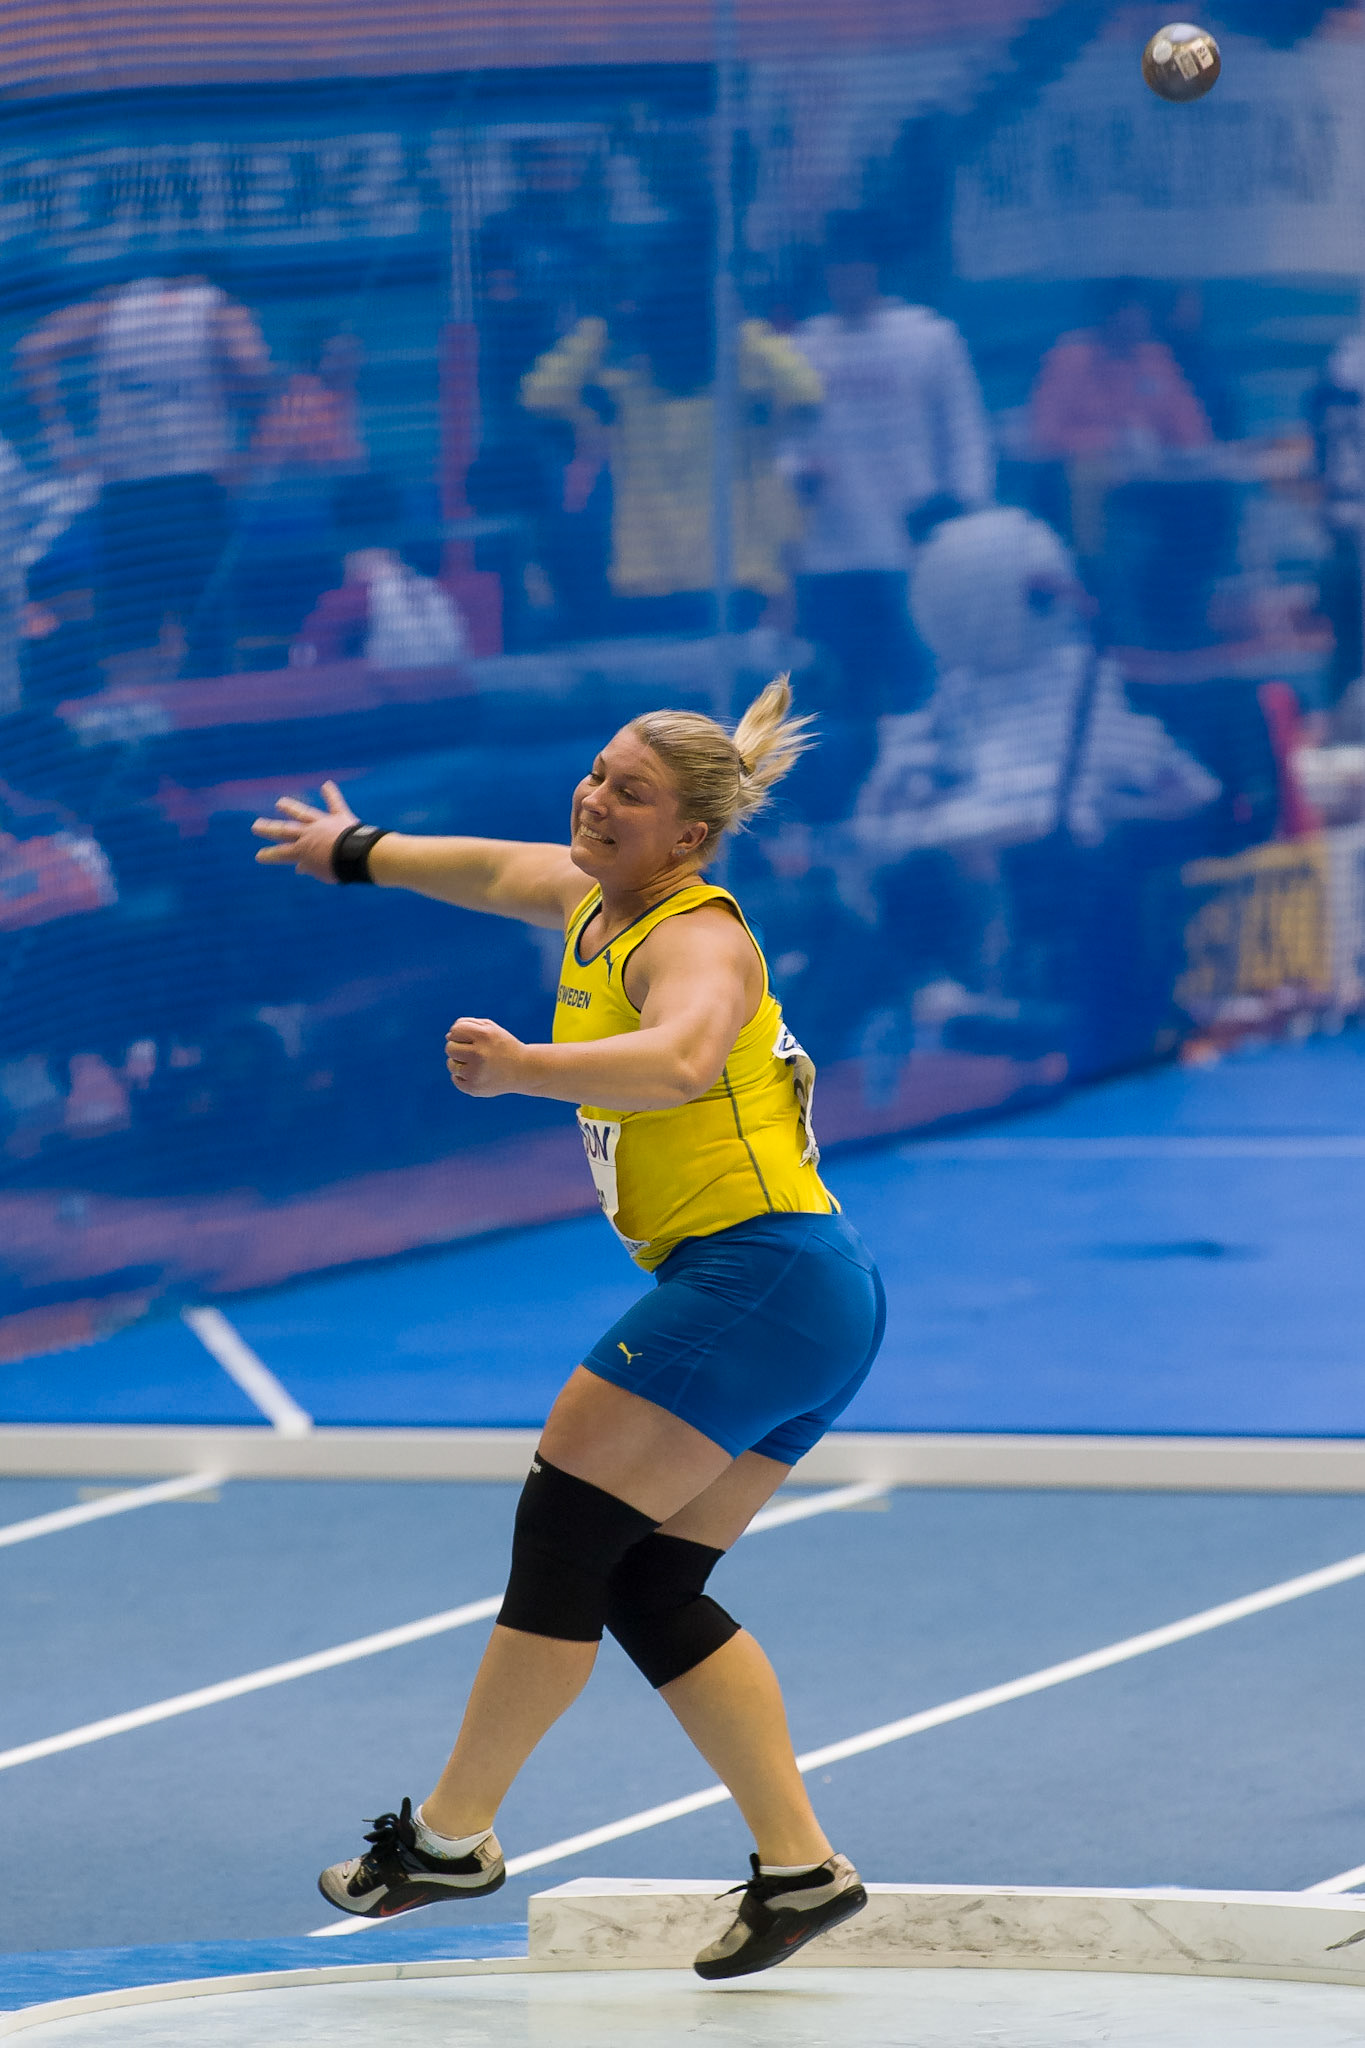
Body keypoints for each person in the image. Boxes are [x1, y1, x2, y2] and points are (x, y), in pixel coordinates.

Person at [251, 676, 884, 1980]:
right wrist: (353, 850)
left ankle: (449, 1835)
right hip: (805, 1295)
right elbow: (488, 864)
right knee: (649, 1587)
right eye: (596, 773)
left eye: (630, 793)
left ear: (690, 838)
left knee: (563, 1530)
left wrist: (524, 1067)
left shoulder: (695, 940)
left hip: (758, 1277)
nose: (595, 799)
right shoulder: (594, 895)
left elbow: (683, 1063)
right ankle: (800, 1869)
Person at [520, 263, 821, 636]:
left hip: (732, 584)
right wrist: (601, 330)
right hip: (645, 586)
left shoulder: (740, 397)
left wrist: (744, 328)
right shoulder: (626, 394)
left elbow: (807, 390)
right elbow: (538, 395)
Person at [787, 210, 993, 717]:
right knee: (836, 696)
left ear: (877, 267)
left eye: (855, 263)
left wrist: (962, 518)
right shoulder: (803, 346)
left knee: (919, 688)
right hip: (829, 552)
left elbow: (965, 433)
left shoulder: (927, 336)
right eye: (835, 265)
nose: (846, 276)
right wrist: (794, 479)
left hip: (912, 549)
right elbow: (782, 441)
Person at [19, 272, 269, 678]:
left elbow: (34, 348)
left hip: (124, 495)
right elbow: (253, 366)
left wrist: (62, 442)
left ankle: (135, 730)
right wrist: (246, 444)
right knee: (209, 636)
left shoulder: (115, 306)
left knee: (128, 640)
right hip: (190, 490)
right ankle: (210, 724)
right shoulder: (215, 306)